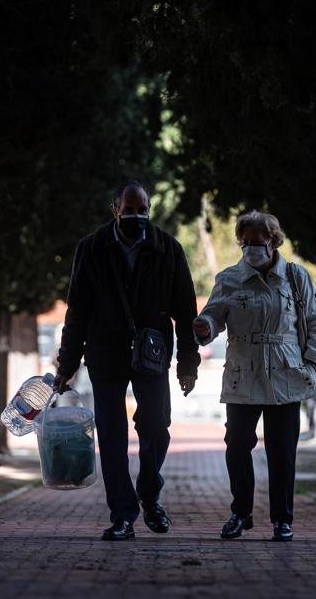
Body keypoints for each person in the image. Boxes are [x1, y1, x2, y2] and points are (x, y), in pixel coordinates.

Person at [54, 181, 200, 541]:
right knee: (112, 436)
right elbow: (77, 311)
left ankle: (149, 496)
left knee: (156, 427)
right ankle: (122, 513)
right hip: (105, 354)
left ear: (150, 208)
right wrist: (66, 364)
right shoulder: (91, 249)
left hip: (151, 355)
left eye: (142, 209)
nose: (137, 216)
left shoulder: (168, 248)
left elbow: (185, 311)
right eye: (129, 209)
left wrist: (188, 363)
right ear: (114, 209)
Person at [193, 211, 316, 541]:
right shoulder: (229, 279)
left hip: (286, 373)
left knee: (282, 451)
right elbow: (213, 316)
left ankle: (283, 519)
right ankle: (240, 513)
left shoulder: (296, 278)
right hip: (243, 374)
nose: (251, 249)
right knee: (237, 446)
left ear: (273, 241)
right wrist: (205, 327)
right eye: (246, 243)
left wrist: (313, 366)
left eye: (258, 242)